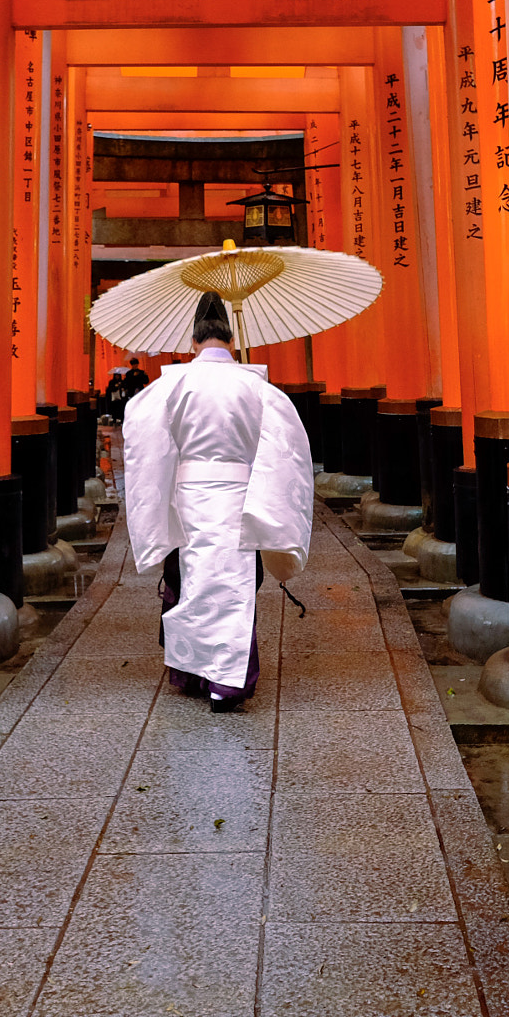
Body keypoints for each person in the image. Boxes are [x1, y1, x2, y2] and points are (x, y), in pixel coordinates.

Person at [122, 292, 313, 710]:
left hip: (187, 496)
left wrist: (158, 493)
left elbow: (141, 437)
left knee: (189, 584)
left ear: (193, 342)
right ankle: (227, 684)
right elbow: (288, 450)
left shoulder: (171, 384)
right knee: (233, 586)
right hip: (238, 497)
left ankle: (192, 673)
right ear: (230, 340)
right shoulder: (256, 386)